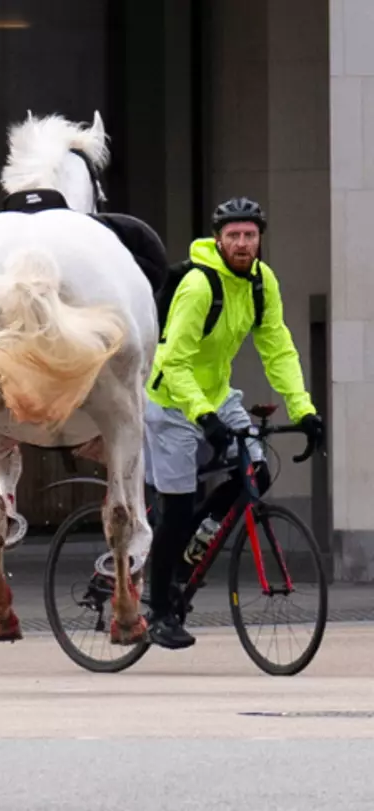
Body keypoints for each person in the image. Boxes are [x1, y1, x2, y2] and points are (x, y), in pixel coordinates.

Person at [142, 196, 324, 650]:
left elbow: (278, 349)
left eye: (250, 235)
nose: (242, 244)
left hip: (217, 395)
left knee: (254, 472)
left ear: (260, 238)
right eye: (233, 236)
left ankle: (187, 560)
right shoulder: (201, 286)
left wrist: (304, 410)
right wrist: (202, 416)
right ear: (219, 239)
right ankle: (157, 606)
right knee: (178, 507)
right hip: (171, 400)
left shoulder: (262, 283)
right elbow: (172, 359)